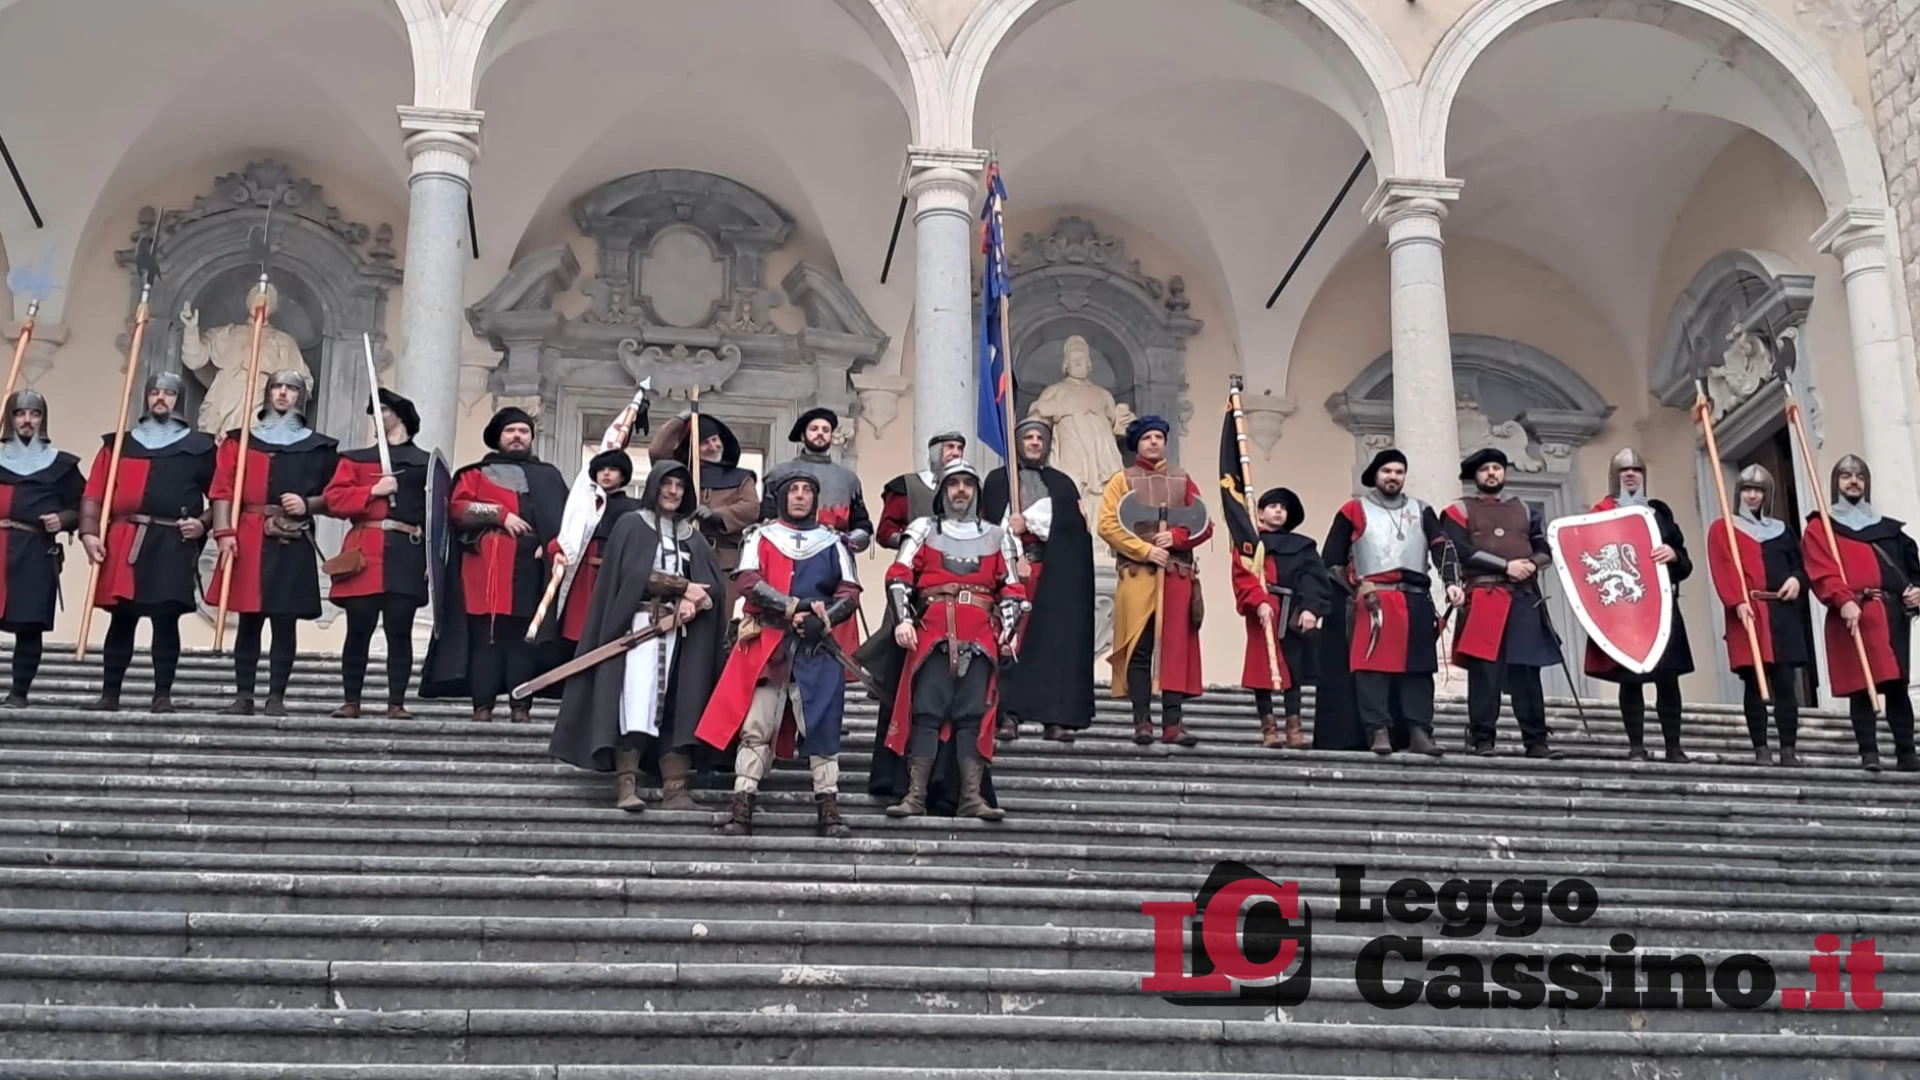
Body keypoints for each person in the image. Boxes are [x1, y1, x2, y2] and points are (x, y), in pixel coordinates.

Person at [550, 461, 728, 810]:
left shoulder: (693, 536)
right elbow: (631, 575)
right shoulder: (631, 525)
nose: (673, 491)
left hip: (683, 636)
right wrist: (683, 586)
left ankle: (675, 788)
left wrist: (700, 600)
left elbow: (714, 587)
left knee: (679, 704)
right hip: (638, 629)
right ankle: (626, 785)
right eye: (667, 484)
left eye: (680, 485)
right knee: (635, 702)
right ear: (654, 486)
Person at [697, 470, 862, 837]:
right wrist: (792, 608)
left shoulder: (834, 542)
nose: (801, 496)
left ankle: (829, 810)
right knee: (756, 727)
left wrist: (825, 620)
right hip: (768, 644)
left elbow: (849, 592)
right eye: (794, 490)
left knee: (822, 728)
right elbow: (749, 583)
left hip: (816, 647)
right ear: (783, 496)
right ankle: (742, 808)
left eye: (807, 490)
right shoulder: (760, 536)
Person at [879, 459, 1025, 820]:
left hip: (981, 634)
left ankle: (971, 797)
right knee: (926, 714)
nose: (961, 490)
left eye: (967, 484)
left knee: (972, 716)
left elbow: (1012, 588)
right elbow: (899, 576)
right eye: (954, 484)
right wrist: (902, 621)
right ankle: (915, 796)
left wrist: (1009, 631)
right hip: (932, 633)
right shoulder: (922, 530)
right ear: (943, 491)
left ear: (976, 491)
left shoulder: (997, 535)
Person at [419, 406, 569, 722]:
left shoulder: (550, 477)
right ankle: (483, 706)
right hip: (484, 572)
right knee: (486, 639)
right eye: (510, 431)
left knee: (524, 641)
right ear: (498, 438)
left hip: (532, 572)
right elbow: (458, 510)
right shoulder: (475, 474)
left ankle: (520, 707)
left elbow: (566, 523)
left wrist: (551, 545)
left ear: (531, 437)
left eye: (523, 431)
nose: (517, 436)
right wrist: (499, 515)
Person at [78, 373, 215, 713]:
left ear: (178, 400)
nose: (160, 399)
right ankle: (110, 695)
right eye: (155, 392)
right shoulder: (118, 446)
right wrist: (89, 532)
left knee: (165, 619)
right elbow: (94, 494)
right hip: (124, 539)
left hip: (171, 541)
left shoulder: (200, 448)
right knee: (122, 618)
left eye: (168, 393)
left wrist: (202, 524)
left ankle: (162, 695)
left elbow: (224, 497)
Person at [207, 371, 338, 716]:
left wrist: (308, 504)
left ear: (301, 396)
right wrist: (223, 533)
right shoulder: (239, 442)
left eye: (291, 389)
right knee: (249, 620)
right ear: (267, 393)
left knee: (284, 620)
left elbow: (336, 495)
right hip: (248, 535)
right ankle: (244, 695)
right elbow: (222, 489)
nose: (283, 394)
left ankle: (276, 696)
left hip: (292, 539)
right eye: (277, 388)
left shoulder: (320, 447)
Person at [1322, 448, 1458, 756]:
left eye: (1398, 472)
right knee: (1372, 670)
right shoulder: (1354, 509)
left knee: (1419, 671)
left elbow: (1442, 548)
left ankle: (1419, 732)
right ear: (1376, 474)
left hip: (1414, 599)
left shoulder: (1423, 510)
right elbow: (1331, 559)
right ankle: (1378, 731)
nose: (1393, 477)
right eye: (1387, 471)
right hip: (1373, 600)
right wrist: (1356, 588)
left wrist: (1452, 583)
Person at [1096, 416, 1213, 746]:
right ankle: (1142, 720)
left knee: (1174, 649)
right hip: (1138, 575)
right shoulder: (1122, 480)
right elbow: (1107, 525)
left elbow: (1203, 523)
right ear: (1137, 443)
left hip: (1176, 575)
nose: (1153, 442)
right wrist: (1146, 550)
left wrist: (1175, 538)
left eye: (1158, 437)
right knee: (1140, 648)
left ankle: (1173, 723)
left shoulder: (1182, 480)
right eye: (1147, 437)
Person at [1801, 455, 1920, 772]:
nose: (1853, 481)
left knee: (1896, 685)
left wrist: (1915, 593)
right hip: (1851, 614)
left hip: (1890, 614)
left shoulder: (1891, 531)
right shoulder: (1821, 527)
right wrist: (1842, 599)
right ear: (1835, 483)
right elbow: (1821, 571)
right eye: (1845, 476)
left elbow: (1912, 570)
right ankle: (1869, 752)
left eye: (1858, 476)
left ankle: (1906, 751)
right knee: (1859, 685)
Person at [1442, 448, 1563, 759]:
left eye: (1497, 467)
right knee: (1485, 673)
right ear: (1475, 475)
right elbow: (1462, 551)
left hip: (1523, 597)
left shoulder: (1523, 508)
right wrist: (1506, 566)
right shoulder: (1459, 511)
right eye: (1485, 469)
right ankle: (1482, 738)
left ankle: (1536, 740)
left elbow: (1544, 547)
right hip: (1484, 596)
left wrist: (1532, 564)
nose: (1492, 473)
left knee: (1526, 671)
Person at [981, 418, 1096, 743]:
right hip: (1009, 574)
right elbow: (987, 526)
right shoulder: (997, 482)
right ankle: (1007, 715)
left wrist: (1030, 521)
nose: (1033, 442)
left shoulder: (1062, 485)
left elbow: (1076, 529)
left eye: (1038, 438)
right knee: (1009, 641)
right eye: (1027, 437)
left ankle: (1055, 717)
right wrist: (1011, 537)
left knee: (1053, 645)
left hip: (1052, 575)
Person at [321, 388, 431, 719]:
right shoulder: (354, 459)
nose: (376, 416)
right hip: (364, 549)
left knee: (400, 630)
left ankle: (396, 703)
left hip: (408, 552)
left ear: (401, 416)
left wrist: (434, 562)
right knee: (358, 628)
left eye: (383, 410)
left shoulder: (426, 463)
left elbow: (438, 514)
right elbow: (334, 500)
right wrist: (372, 490)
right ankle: (351, 701)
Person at [1584, 448, 1695, 762]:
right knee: (1630, 680)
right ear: (1615, 477)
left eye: (1636, 469)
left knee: (1667, 679)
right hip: (1625, 609)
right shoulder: (1601, 516)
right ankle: (1636, 746)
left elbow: (1685, 564)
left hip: (1662, 606)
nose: (1630, 474)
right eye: (1624, 470)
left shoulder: (1659, 514)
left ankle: (1673, 746)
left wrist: (1673, 555)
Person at [1707, 464, 1812, 766]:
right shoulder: (1723, 528)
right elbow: (1722, 568)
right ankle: (1761, 749)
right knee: (1754, 684)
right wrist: (1737, 601)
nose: (1753, 495)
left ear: (1767, 494)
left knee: (1785, 684)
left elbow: (1800, 566)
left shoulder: (1782, 530)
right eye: (1748, 490)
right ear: (1739, 493)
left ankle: (1788, 749)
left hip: (1782, 614)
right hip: (1748, 612)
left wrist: (1796, 580)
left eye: (1759, 490)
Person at [761, 406, 871, 665]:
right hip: (785, 560)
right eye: (814, 429)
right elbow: (764, 520)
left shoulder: (849, 479)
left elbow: (864, 526)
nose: (820, 434)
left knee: (834, 638)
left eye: (825, 430)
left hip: (832, 563)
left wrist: (846, 541)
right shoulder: (779, 474)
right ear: (803, 435)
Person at [1229, 487, 1330, 749]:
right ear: (1260, 512)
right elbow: (1244, 577)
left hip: (1293, 611)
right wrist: (1258, 602)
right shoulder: (1249, 544)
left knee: (1293, 671)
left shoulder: (1303, 547)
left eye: (1283, 508)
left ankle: (1294, 730)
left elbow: (1313, 579)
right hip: (1263, 610)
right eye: (1272, 506)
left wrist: (1311, 609)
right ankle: (1269, 730)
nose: (1278, 511)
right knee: (1262, 670)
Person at [0, 390, 82, 707]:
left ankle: (19, 692)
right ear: (11, 418)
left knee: (29, 624)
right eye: (20, 414)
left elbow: (83, 505)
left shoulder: (60, 466)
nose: (27, 420)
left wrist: (62, 519)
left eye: (34, 414)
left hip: (35, 551)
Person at [648, 409, 759, 611]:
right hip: (684, 557)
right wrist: (680, 420)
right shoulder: (682, 474)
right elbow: (657, 452)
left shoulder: (741, 477)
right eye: (705, 442)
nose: (713, 446)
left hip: (725, 562)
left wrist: (718, 515)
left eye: (716, 440)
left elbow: (751, 508)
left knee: (721, 620)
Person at [545, 450, 640, 658]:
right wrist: (556, 550)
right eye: (601, 470)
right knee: (577, 632)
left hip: (614, 575)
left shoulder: (635, 508)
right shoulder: (583, 506)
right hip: (583, 576)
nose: (606, 474)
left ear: (623, 475)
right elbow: (567, 535)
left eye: (612, 469)